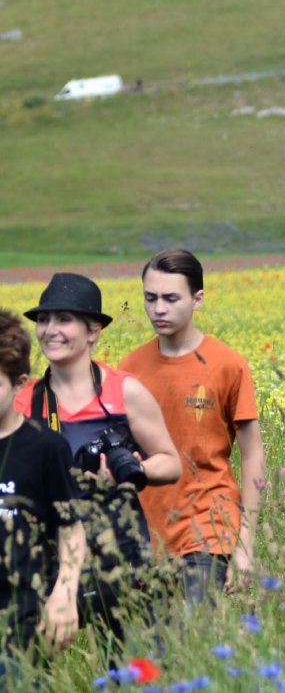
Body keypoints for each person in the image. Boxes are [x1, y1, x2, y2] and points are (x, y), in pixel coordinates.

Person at [16, 273, 181, 647]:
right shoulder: (26, 402)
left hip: (121, 554)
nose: (49, 330)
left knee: (130, 668)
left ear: (93, 331)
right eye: (44, 320)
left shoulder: (125, 392)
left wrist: (132, 472)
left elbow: (171, 463)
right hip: (48, 559)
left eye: (63, 319)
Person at [119, 250, 265, 604]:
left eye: (171, 298)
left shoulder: (228, 365)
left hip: (208, 526)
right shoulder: (129, 369)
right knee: (153, 650)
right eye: (150, 298)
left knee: (191, 633)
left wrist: (245, 545)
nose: (159, 309)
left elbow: (253, 456)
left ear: (197, 299)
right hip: (147, 532)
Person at [0, 308, 87, 675]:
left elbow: (70, 528)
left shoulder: (45, 448)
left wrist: (65, 593)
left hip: (20, 628)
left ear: (20, 383)